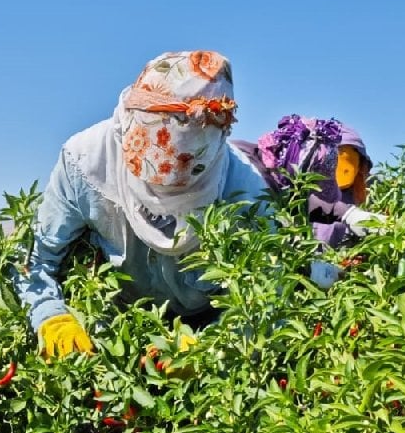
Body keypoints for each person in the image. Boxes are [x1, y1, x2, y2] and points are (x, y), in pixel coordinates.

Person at [15, 50, 279, 358]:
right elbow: (35, 259)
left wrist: (213, 348)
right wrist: (49, 315)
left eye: (176, 179)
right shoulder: (86, 162)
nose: (157, 188)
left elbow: (266, 297)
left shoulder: (244, 190)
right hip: (113, 329)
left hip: (202, 324)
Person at [232, 114, 381, 251]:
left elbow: (325, 203)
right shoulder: (248, 172)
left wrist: (352, 215)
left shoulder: (347, 187)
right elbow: (269, 236)